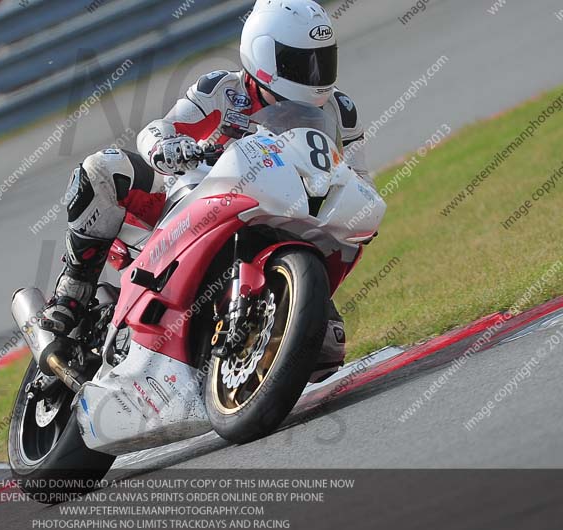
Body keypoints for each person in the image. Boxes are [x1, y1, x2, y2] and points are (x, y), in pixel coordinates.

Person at [42, 0, 369, 379]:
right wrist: (168, 147)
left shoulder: (340, 112)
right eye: (302, 63)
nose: (315, 75)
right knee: (103, 169)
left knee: (326, 348)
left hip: (286, 223)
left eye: (322, 60)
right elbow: (159, 130)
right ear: (264, 55)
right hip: (197, 203)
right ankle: (73, 293)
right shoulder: (223, 90)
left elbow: (357, 179)